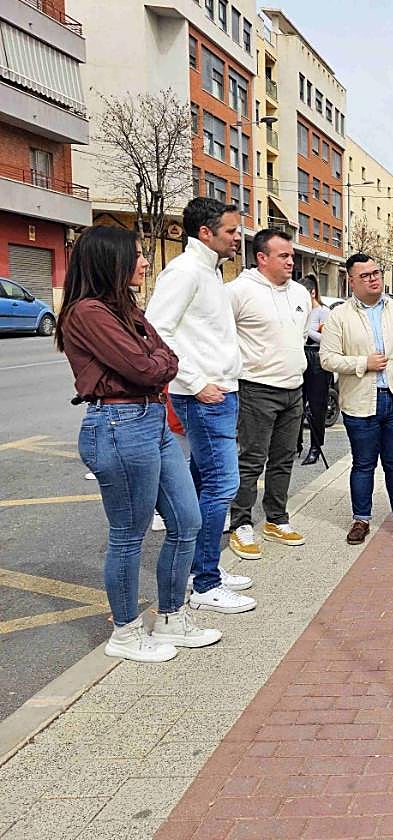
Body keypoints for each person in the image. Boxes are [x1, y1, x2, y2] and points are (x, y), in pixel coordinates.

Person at [57, 226, 220, 662]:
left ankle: (171, 615)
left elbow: (165, 356)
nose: (146, 262)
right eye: (137, 255)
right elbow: (146, 367)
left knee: (188, 521)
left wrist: (157, 363)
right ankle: (126, 633)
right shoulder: (87, 313)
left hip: (151, 421)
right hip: (118, 423)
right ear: (111, 261)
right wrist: (157, 363)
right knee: (128, 535)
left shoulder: (126, 309)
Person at [146, 197, 256, 614]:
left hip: (221, 392)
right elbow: (157, 331)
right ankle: (205, 582)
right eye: (230, 231)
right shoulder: (186, 272)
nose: (236, 237)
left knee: (201, 483)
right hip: (204, 397)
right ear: (205, 233)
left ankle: (200, 568)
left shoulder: (209, 271)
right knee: (222, 485)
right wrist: (194, 382)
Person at [320, 253, 393, 545]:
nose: (373, 278)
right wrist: (361, 363)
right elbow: (327, 358)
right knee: (363, 464)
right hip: (360, 401)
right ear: (351, 281)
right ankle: (360, 520)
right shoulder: (339, 316)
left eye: (376, 272)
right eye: (365, 275)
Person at [224, 230, 310, 559]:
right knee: (250, 460)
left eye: (291, 255)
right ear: (262, 258)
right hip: (255, 390)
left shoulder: (300, 293)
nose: (291, 261)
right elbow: (218, 334)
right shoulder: (238, 291)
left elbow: (299, 337)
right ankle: (241, 523)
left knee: (283, 459)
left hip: (293, 389)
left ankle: (276, 518)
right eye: (283, 256)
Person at [299, 274, 332, 466]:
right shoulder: (299, 311)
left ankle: (315, 446)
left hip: (317, 360)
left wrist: (306, 330)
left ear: (313, 293)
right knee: (297, 404)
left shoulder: (323, 312)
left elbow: (325, 339)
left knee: (317, 406)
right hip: (300, 358)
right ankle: (296, 443)